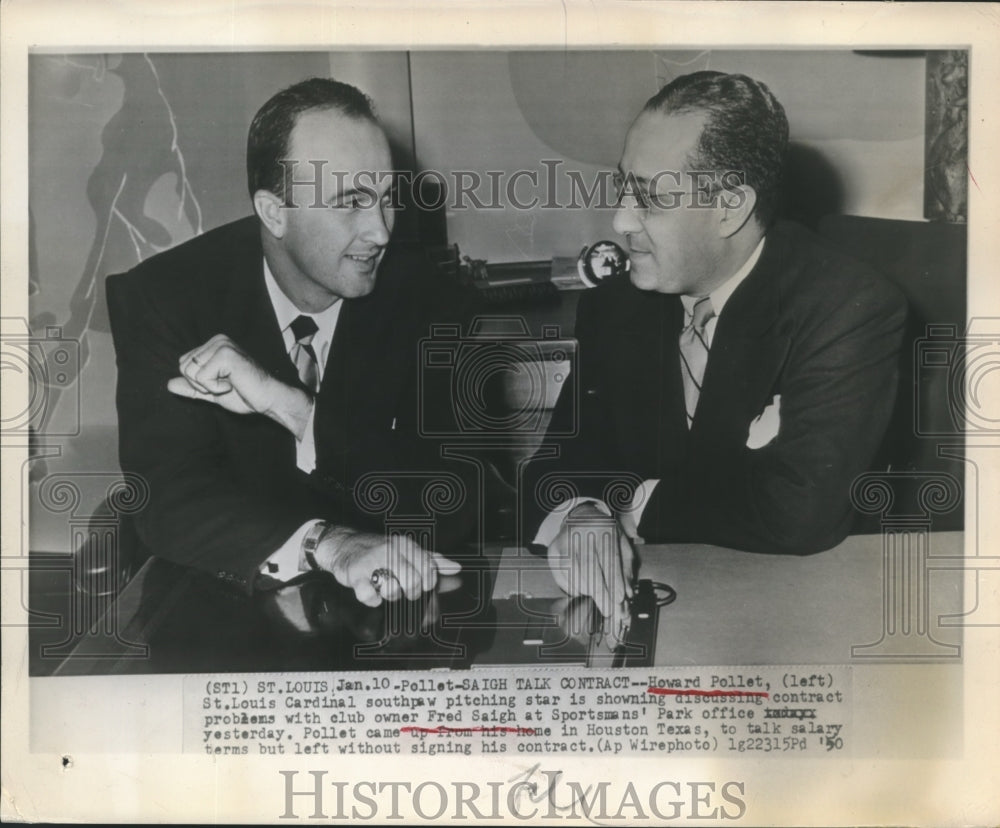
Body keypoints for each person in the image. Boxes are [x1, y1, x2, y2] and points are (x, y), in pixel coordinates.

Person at [521, 71, 907, 628]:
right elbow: (551, 472)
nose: (621, 220)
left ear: (729, 207)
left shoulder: (849, 308)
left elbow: (798, 514)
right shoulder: (616, 307)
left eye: (650, 198)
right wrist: (579, 512)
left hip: (809, 612)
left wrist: (622, 503)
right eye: (623, 187)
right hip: (666, 600)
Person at [107, 78, 477, 609]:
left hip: (391, 614)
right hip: (228, 617)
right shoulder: (163, 299)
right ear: (274, 212)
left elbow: (456, 504)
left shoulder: (429, 298)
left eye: (387, 199)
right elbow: (167, 501)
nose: (380, 232)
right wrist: (327, 544)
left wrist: (294, 410)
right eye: (351, 202)